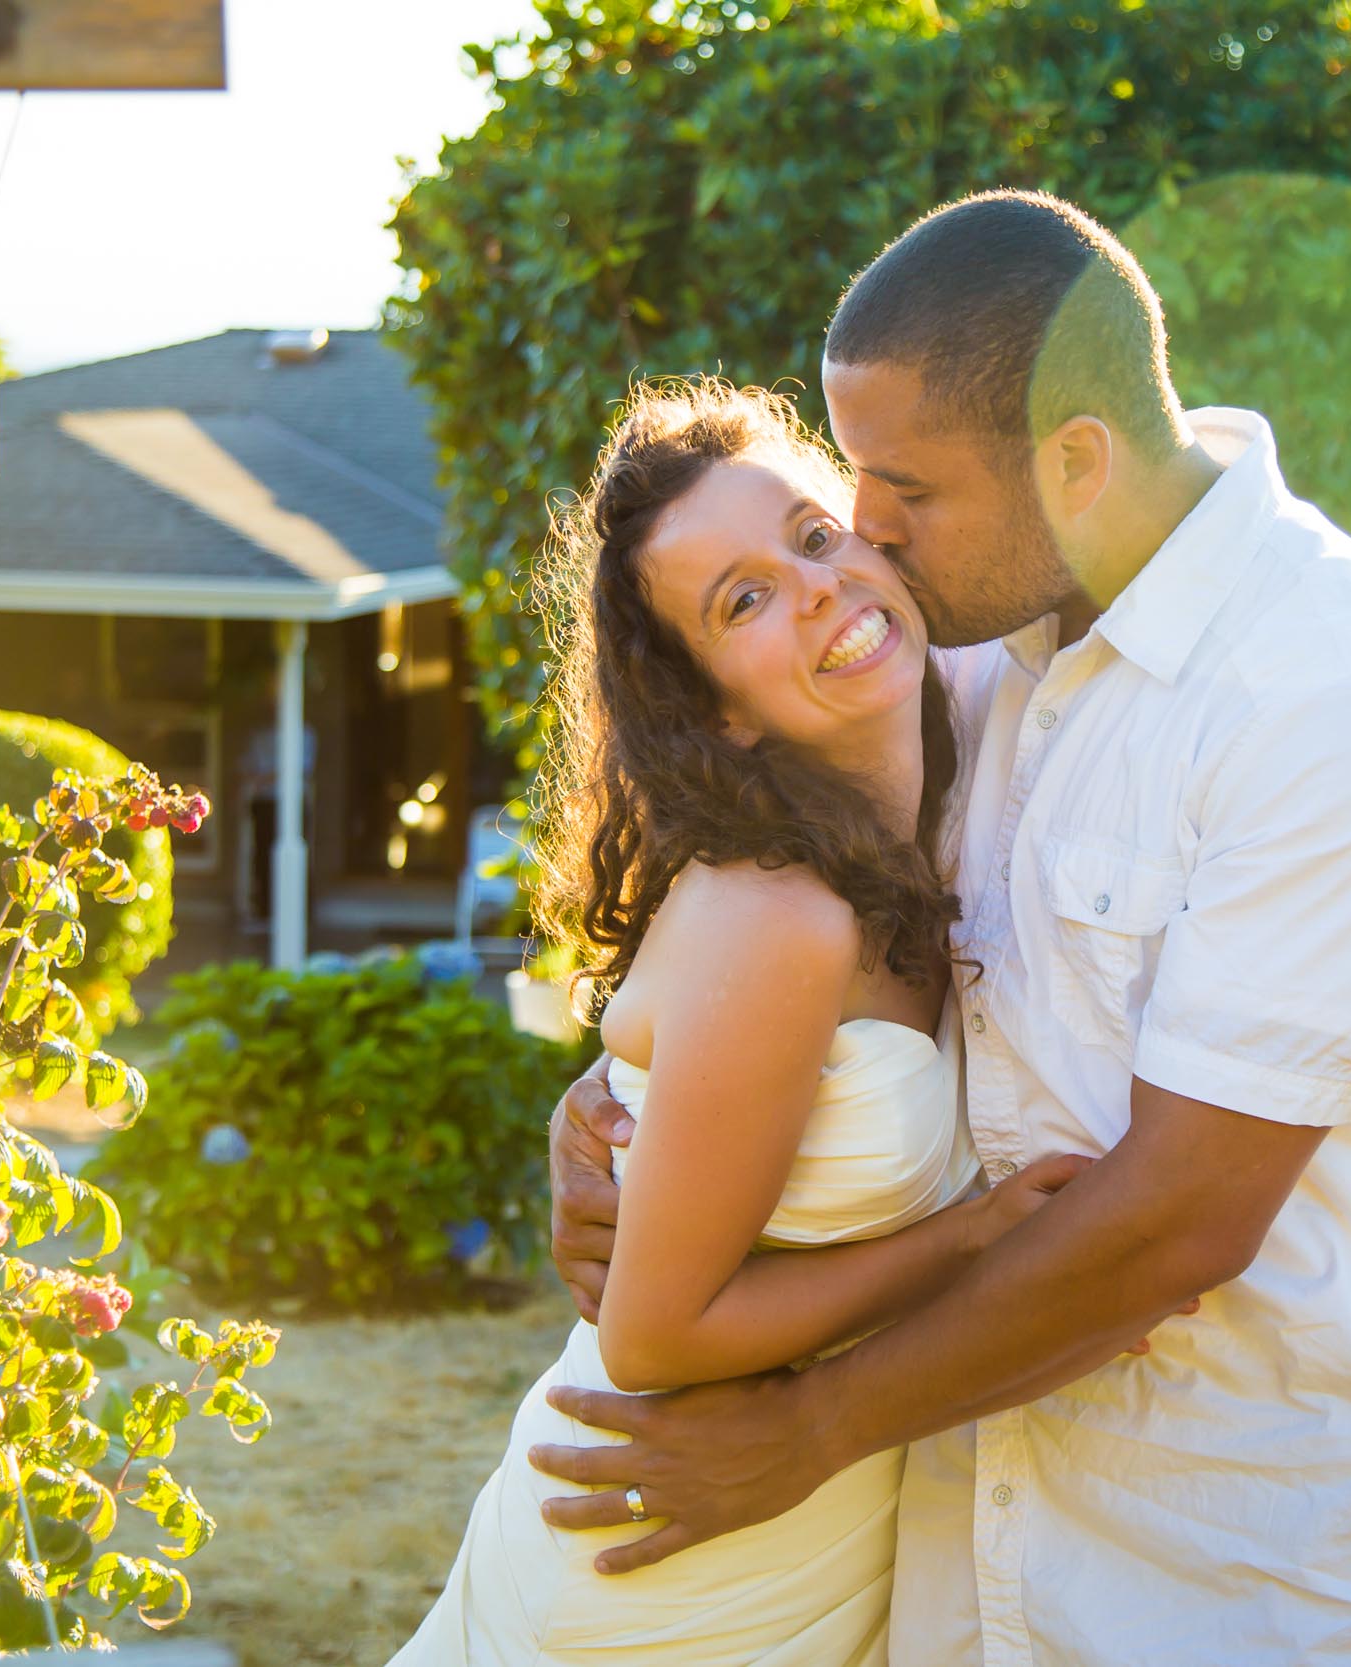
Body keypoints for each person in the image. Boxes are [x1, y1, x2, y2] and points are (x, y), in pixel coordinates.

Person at [535, 190, 1351, 1667]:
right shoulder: (981, 655)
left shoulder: (1343, 711)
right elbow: (778, 914)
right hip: (972, 1566)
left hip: (1262, 1584)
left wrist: (809, 1424)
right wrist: (618, 1104)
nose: (865, 531)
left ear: (1076, 459)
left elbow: (1175, 1222)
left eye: (901, 488)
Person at [387, 380, 1116, 1665]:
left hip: (822, 1542)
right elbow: (655, 1328)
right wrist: (970, 1240)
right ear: (716, 705)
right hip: (667, 1564)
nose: (816, 586)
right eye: (743, 599)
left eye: (813, 536)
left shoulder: (930, 821)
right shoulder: (777, 912)